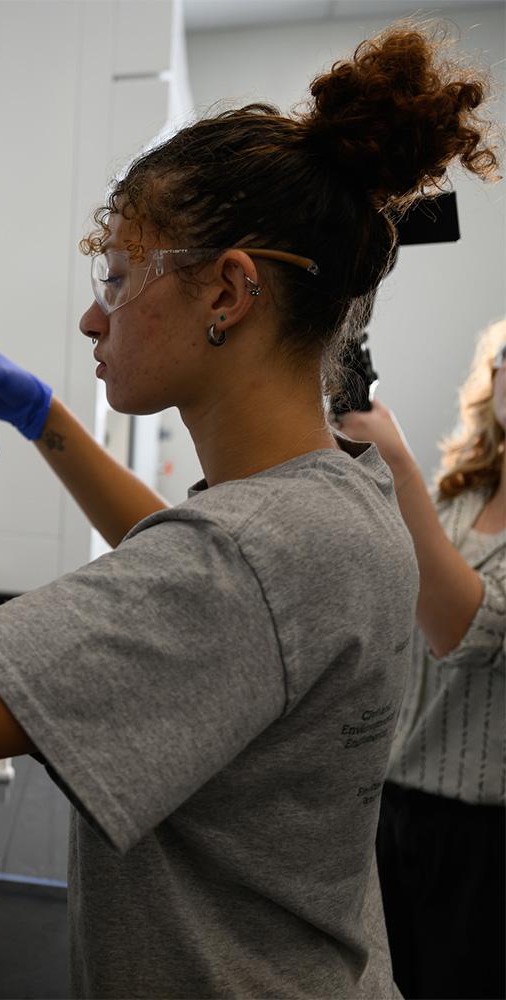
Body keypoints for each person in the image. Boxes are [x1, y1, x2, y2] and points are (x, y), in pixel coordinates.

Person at [0, 24, 498, 998]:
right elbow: (196, 574)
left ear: (228, 290)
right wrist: (42, 414)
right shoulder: (344, 490)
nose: (96, 315)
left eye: (122, 274)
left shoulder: (254, 557)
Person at [334, 319, 505, 999]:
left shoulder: (423, 486)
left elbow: (469, 630)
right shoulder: (460, 495)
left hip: (486, 837)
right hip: (392, 806)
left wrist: (396, 463)